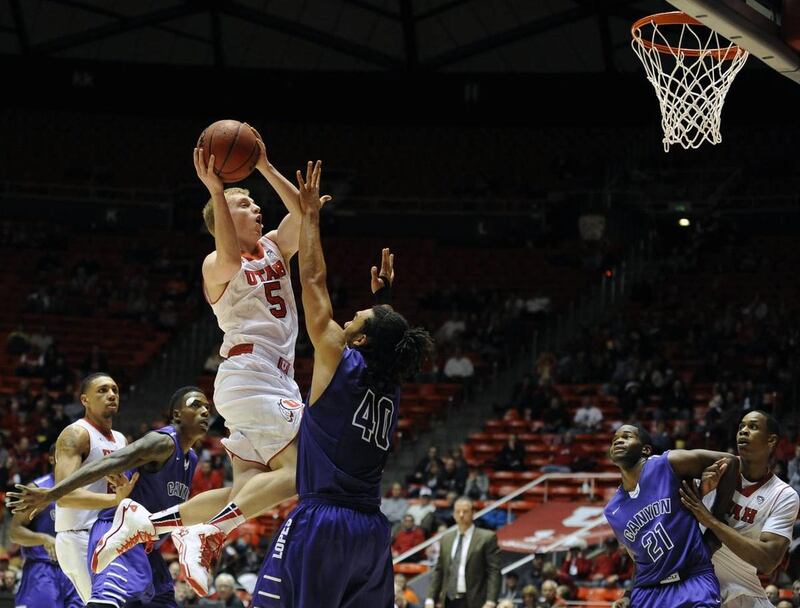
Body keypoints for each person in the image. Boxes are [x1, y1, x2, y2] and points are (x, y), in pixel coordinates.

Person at [88, 135, 333, 596]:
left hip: (273, 380)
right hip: (252, 375)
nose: (257, 208)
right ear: (222, 218)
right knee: (307, 470)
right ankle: (210, 532)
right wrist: (217, 191)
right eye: (246, 204)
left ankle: (147, 523)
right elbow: (224, 248)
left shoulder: (275, 248)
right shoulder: (216, 265)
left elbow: (302, 214)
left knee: (244, 490)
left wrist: (262, 166)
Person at [251, 160, 434, 607]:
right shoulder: (390, 380)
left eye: (358, 318)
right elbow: (386, 341)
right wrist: (383, 302)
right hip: (370, 531)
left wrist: (310, 216)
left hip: (324, 522)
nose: (347, 317)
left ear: (362, 338)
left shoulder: (337, 355)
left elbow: (312, 280)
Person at [10, 386, 210, 607]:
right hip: (117, 535)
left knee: (162, 600)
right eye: (196, 404)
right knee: (107, 602)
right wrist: (53, 493)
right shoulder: (161, 442)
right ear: (176, 414)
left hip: (146, 544)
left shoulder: (189, 457)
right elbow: (109, 464)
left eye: (207, 407)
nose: (205, 411)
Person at [604, 424, 739, 608]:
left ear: (645, 449)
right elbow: (639, 558)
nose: (618, 440)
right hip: (647, 592)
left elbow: (730, 461)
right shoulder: (612, 510)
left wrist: (715, 525)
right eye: (614, 440)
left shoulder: (668, 463)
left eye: (627, 436)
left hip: (692, 581)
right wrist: (629, 593)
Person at [680, 411, 800, 608]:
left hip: (743, 589)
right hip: (695, 584)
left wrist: (711, 521)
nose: (743, 431)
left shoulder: (784, 495)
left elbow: (768, 561)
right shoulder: (713, 469)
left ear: (771, 441)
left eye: (752, 427)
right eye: (741, 427)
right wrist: (702, 492)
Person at [36, 373, 133, 604]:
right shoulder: (76, 434)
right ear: (84, 400)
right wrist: (115, 500)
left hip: (109, 535)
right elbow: (64, 496)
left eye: (115, 390)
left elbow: (123, 489)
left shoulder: (121, 440)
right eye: (102, 390)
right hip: (79, 536)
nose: (111, 395)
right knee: (105, 603)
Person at [8, 445, 82, 608]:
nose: (73, 460)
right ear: (51, 459)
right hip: (43, 569)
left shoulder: (84, 491)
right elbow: (14, 532)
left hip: (77, 571)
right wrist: (43, 538)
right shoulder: (37, 489)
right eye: (66, 455)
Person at [427, 497, 501, 608]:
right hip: (449, 600)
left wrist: (491, 600)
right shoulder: (446, 538)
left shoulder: (487, 538)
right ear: (453, 514)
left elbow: (494, 571)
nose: (461, 515)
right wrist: (430, 598)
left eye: (465, 511)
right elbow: (439, 570)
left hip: (475, 600)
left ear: (473, 513)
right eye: (458, 511)